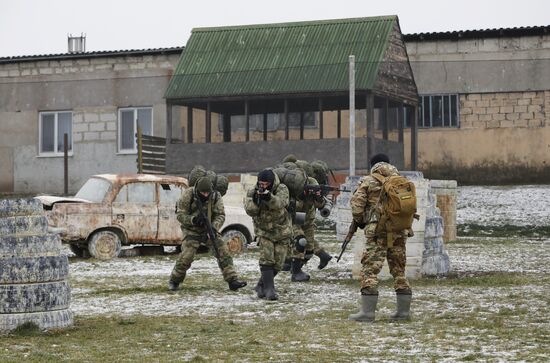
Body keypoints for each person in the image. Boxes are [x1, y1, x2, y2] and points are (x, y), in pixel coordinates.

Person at [348, 153, 413, 322]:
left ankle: (368, 313)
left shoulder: (368, 181)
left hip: (378, 232)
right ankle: (403, 313)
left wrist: (361, 221)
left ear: (373, 165)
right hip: (399, 230)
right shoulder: (401, 180)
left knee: (369, 269)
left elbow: (357, 206)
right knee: (399, 270)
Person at [168, 176, 247, 291]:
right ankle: (174, 280)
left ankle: (232, 280)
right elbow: (180, 215)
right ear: (197, 190)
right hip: (191, 230)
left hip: (210, 229)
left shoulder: (215, 196)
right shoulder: (188, 195)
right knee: (186, 256)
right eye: (203, 192)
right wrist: (193, 220)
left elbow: (220, 215)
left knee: (222, 251)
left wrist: (214, 228)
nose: (205, 195)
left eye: (207, 192)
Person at [244, 169, 292, 300]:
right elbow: (249, 210)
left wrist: (269, 197)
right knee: (267, 259)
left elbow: (281, 203)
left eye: (266, 184)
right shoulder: (253, 190)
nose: (263, 186)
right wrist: (257, 200)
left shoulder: (281, 188)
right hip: (264, 231)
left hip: (282, 230)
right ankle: (270, 290)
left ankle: (261, 285)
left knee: (279, 264)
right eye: (261, 183)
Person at [289, 176, 332, 282]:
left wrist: (317, 197)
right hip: (294, 218)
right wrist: (302, 195)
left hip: (306, 218)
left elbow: (320, 205)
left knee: (309, 246)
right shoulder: (292, 187)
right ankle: (295, 271)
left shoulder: (312, 182)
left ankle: (297, 268)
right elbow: (291, 206)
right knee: (300, 241)